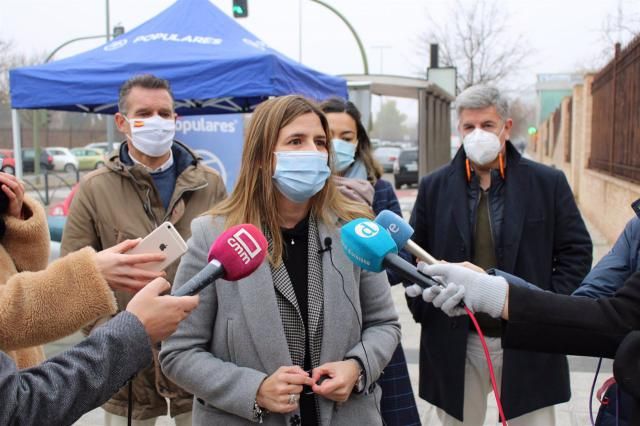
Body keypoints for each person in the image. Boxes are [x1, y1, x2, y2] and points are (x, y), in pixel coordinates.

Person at [160, 95, 401, 425]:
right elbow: (178, 352)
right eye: (295, 141)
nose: (313, 153)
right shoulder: (211, 235)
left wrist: (357, 367)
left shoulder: (355, 230)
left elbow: (385, 324)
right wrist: (254, 389)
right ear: (262, 156)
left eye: (320, 142)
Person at [408, 84, 593, 425]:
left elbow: (577, 252)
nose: (478, 134)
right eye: (469, 127)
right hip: (456, 339)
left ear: (506, 127)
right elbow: (412, 255)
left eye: (487, 125)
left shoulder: (547, 183)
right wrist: (424, 307)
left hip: (528, 337)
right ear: (458, 130)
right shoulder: (434, 187)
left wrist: (548, 306)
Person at [61, 74, 227, 425]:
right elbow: (73, 277)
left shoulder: (210, 184)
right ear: (122, 122)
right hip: (127, 370)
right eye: (145, 113)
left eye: (165, 114)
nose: (157, 122)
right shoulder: (94, 189)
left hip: (198, 360)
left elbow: (228, 265)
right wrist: (116, 337)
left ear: (175, 119)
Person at [413, 262, 640, 425]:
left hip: (525, 355)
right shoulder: (635, 224)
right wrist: (491, 287)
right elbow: (590, 308)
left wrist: (493, 293)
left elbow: (620, 320)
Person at [319, 97, 420, 426]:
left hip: (370, 329)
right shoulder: (302, 195)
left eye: (347, 137)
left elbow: (400, 262)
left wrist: (364, 265)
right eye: (329, 135)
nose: (338, 144)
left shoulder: (380, 193)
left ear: (358, 141)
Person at [0, 171, 167, 369]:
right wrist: (90, 277)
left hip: (22, 374)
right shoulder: (95, 185)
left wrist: (16, 219)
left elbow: (24, 273)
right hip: (17, 387)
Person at [1, 277, 199, 426]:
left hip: (177, 382)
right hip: (125, 379)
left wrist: (89, 274)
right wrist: (129, 331)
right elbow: (19, 406)